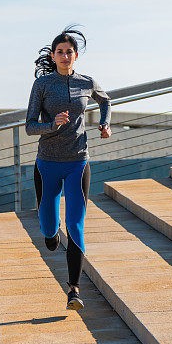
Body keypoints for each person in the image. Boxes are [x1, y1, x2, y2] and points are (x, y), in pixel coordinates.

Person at [25, 25, 111, 310]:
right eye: (60, 52)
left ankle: (73, 289)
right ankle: (50, 234)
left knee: (75, 224)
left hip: (78, 161)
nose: (64, 56)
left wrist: (104, 122)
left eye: (69, 52)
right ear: (53, 55)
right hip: (47, 163)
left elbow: (105, 100)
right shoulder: (42, 85)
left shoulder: (86, 82)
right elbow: (29, 126)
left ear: (76, 56)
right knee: (49, 227)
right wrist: (53, 124)